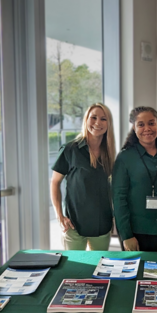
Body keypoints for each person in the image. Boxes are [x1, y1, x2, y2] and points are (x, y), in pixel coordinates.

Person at [112, 106, 157, 252]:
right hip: (136, 230)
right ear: (134, 128)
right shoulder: (125, 157)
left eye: (151, 123)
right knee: (136, 272)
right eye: (141, 124)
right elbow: (119, 198)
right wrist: (126, 235)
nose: (147, 128)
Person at [50, 103, 116, 250]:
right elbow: (55, 182)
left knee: (100, 269)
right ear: (86, 120)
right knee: (74, 270)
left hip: (102, 225)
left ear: (108, 124)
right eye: (93, 117)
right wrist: (59, 215)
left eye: (103, 119)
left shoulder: (110, 154)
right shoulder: (70, 150)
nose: (98, 123)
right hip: (74, 224)